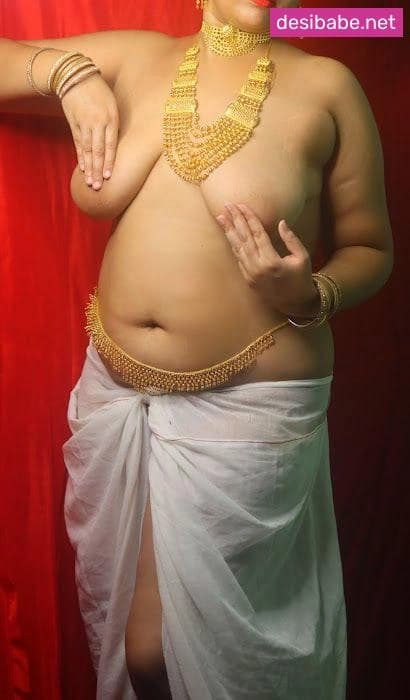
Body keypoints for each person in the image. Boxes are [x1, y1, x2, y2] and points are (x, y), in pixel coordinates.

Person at [0, 0, 393, 698]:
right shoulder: (143, 56)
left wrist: (311, 293)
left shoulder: (328, 84)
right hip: (117, 394)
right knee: (134, 642)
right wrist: (67, 74)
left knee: (159, 652)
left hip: (250, 404)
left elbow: (372, 247)